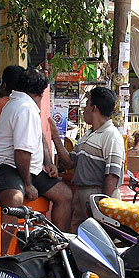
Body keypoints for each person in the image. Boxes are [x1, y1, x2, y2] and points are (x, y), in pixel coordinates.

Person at [0, 68, 72, 249]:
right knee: (15, 199)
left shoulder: (24, 104)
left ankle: (59, 248)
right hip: (3, 166)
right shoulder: (24, 108)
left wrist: (47, 162)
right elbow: (21, 153)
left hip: (27, 167)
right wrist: (28, 183)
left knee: (65, 195)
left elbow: (38, 139)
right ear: (40, 93)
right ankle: (0, 254)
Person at [49, 85, 125, 231]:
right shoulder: (88, 135)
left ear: (94, 108)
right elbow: (69, 163)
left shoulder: (111, 135)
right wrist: (55, 138)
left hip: (98, 195)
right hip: (82, 195)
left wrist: (101, 205)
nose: (84, 110)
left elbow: (112, 175)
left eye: (86, 105)